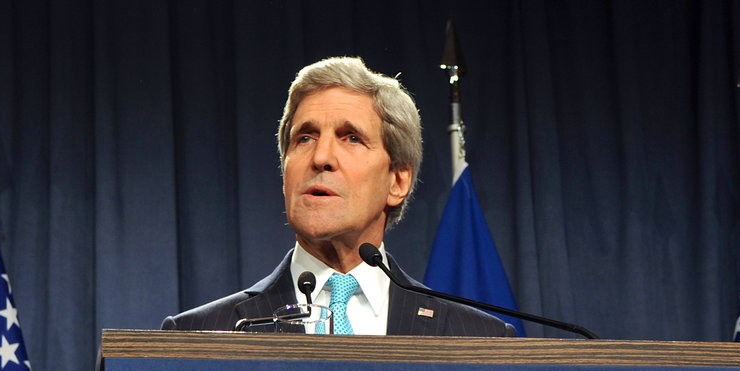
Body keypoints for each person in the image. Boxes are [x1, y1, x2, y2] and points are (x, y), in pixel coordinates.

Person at [162, 57, 515, 337]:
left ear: (397, 181)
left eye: (351, 138)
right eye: (305, 138)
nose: (320, 158)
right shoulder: (202, 334)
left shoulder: (476, 338)